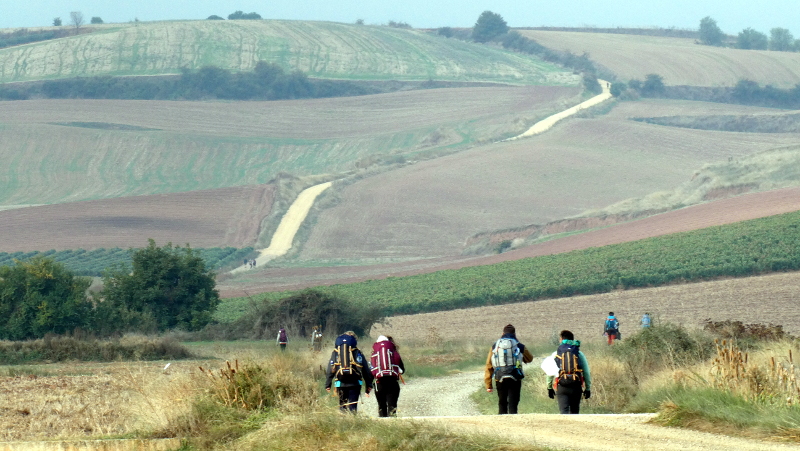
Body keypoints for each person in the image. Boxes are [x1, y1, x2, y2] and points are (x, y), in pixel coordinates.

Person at [484, 324, 534, 414]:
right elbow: (530, 359)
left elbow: (489, 365)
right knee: (513, 402)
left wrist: (488, 384)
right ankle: (513, 422)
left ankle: (502, 423)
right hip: (515, 376)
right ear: (514, 334)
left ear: (502, 333)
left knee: (502, 401)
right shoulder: (519, 345)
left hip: (499, 377)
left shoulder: (495, 346)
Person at [325, 331, 373, 413]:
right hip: (355, 383)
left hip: (340, 383)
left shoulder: (336, 352)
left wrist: (328, 384)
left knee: (342, 405)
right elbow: (365, 368)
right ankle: (353, 422)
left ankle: (343, 422)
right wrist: (368, 384)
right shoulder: (357, 352)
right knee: (353, 407)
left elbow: (330, 368)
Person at [547, 330, 592, 414]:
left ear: (561, 339)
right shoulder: (579, 353)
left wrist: (549, 387)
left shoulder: (556, 353)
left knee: (564, 412)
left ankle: (565, 426)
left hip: (562, 386)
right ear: (572, 340)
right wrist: (588, 388)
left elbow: (550, 372)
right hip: (576, 386)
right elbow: (586, 372)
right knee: (574, 412)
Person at [370, 335, 406, 417]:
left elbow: (372, 371)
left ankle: (382, 425)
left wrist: (368, 386)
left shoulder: (374, 354)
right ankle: (392, 425)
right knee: (392, 406)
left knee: (381, 406)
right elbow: (402, 370)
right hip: (392, 383)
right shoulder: (394, 354)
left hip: (379, 383)